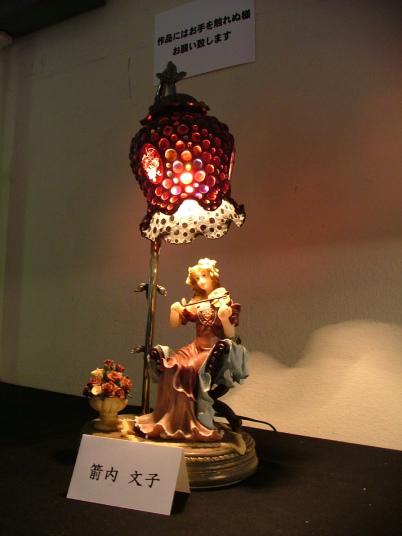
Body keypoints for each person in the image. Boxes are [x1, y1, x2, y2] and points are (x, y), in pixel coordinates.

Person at [134, 258, 248, 441]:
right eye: (197, 278)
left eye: (204, 276)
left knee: (187, 369)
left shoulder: (224, 300)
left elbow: (231, 335)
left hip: (210, 350)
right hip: (194, 347)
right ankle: (170, 419)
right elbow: (174, 324)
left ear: (212, 276)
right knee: (172, 365)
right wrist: (174, 310)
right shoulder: (196, 302)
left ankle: (186, 421)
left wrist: (224, 318)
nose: (201, 281)